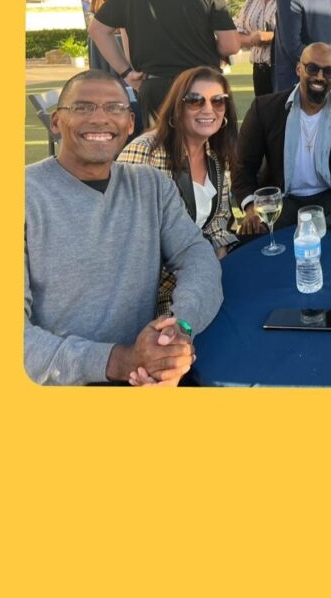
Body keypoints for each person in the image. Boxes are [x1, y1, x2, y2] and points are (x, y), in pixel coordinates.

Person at [24, 70, 223, 386]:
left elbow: (196, 256)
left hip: (151, 373)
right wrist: (121, 360)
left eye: (114, 108)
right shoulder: (24, 195)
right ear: (56, 122)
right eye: (83, 107)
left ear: (130, 123)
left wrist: (179, 329)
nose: (101, 119)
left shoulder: (151, 185)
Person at [88, 0, 240, 124]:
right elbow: (231, 45)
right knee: (203, 150)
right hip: (200, 84)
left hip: (154, 85)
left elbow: (97, 30)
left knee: (160, 148)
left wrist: (126, 72)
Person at [117, 66, 239, 312]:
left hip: (201, 279)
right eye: (195, 101)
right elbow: (126, 238)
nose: (208, 109)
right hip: (153, 297)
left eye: (218, 101)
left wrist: (215, 270)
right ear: (177, 107)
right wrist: (193, 283)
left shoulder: (215, 157)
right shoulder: (146, 152)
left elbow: (217, 226)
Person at [233, 42, 331, 231]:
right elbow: (243, 165)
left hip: (330, 199)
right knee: (255, 245)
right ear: (299, 69)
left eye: (328, 71)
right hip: (280, 200)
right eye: (312, 68)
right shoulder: (264, 109)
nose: (320, 77)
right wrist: (251, 207)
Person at [234, 0, 289, 97]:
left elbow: (292, 32)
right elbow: (238, 31)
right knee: (263, 114)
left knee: (279, 114)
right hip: (259, 69)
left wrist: (268, 37)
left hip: (280, 69)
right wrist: (252, 39)